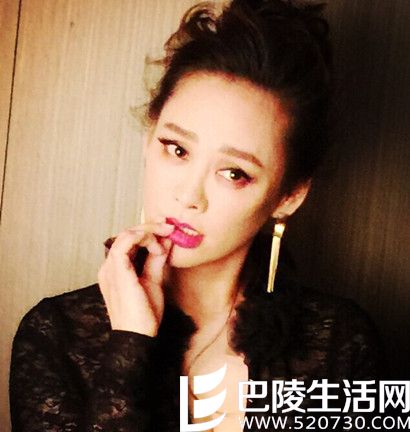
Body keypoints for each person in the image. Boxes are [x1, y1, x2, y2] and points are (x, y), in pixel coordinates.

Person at [9, 0, 383, 431]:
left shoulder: (340, 342)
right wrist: (130, 343)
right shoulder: (55, 335)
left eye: (233, 173)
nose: (188, 196)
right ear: (149, 140)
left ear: (289, 196)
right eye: (177, 149)